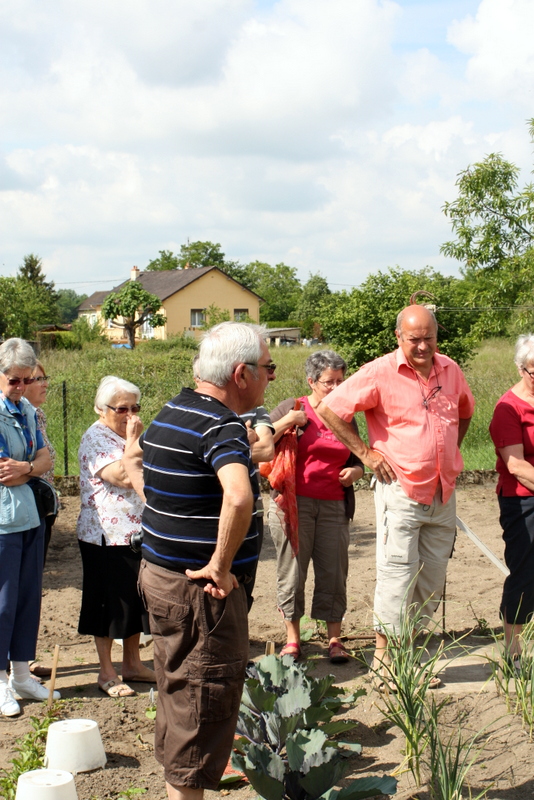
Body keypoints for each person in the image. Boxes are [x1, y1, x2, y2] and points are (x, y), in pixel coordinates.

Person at [123, 321, 275, 800]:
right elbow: (237, 495)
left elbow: (158, 485)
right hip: (200, 595)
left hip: (162, 580)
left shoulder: (174, 410)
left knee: (180, 695)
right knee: (203, 703)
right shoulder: (220, 425)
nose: (272, 377)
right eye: (268, 368)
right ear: (241, 373)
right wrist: (221, 564)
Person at [317, 305, 475, 684]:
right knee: (397, 574)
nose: (422, 346)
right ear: (398, 337)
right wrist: (366, 455)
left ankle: (411, 657)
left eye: (429, 338)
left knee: (431, 578)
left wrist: (448, 454)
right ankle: (385, 663)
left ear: (437, 335)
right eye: (414, 339)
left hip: (442, 490)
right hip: (400, 489)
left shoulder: (450, 370)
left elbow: (466, 412)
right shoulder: (379, 371)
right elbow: (330, 409)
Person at [267, 350, 364, 663]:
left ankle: (334, 638)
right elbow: (259, 442)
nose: (336, 388)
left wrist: (357, 472)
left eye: (340, 381)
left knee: (334, 573)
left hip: (334, 504)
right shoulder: (293, 408)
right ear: (311, 381)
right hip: (293, 505)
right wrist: (288, 421)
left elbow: (360, 457)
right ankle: (293, 640)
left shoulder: (347, 416)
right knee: (292, 572)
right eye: (328, 382)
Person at [77, 375, 155, 698]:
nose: (130, 415)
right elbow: (123, 476)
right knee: (107, 603)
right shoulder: (96, 438)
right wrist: (134, 443)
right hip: (104, 536)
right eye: (121, 408)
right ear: (101, 410)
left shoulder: (131, 437)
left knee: (134, 601)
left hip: (135, 532)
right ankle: (106, 671)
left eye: (135, 407)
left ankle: (133, 663)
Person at [0, 338, 59, 717]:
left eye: (27, 380)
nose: (21, 388)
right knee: (2, 602)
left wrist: (26, 468)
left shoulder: (25, 412)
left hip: (30, 516)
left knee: (27, 596)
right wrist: (28, 467)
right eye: (14, 381)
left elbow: (45, 457)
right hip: (3, 521)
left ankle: (22, 672)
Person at [489, 334, 534, 668]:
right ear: (522, 369)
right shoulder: (509, 408)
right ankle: (513, 649)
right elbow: (516, 466)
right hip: (523, 502)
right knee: (525, 571)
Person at [24, 361, 56, 562]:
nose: (45, 384)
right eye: (39, 379)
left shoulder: (39, 414)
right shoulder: (16, 417)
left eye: (45, 379)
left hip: (44, 503)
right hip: (28, 505)